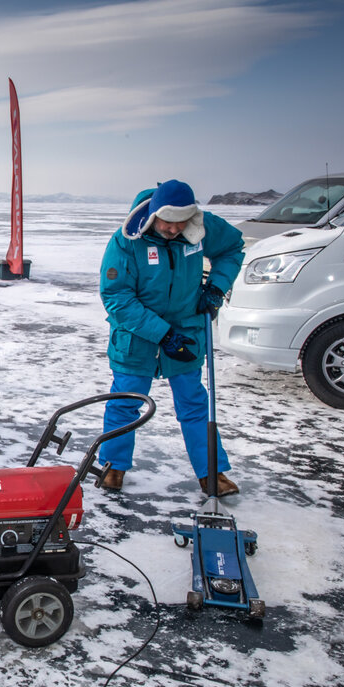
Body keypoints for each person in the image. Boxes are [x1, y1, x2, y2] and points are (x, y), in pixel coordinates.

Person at [97, 179, 245, 496]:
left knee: (194, 403)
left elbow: (233, 248)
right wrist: (163, 335)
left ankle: (212, 473)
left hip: (187, 330)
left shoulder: (201, 227)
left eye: (181, 223)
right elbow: (117, 297)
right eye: (168, 221)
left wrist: (217, 288)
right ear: (153, 213)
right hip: (136, 336)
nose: (175, 230)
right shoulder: (126, 240)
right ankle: (112, 467)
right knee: (126, 401)